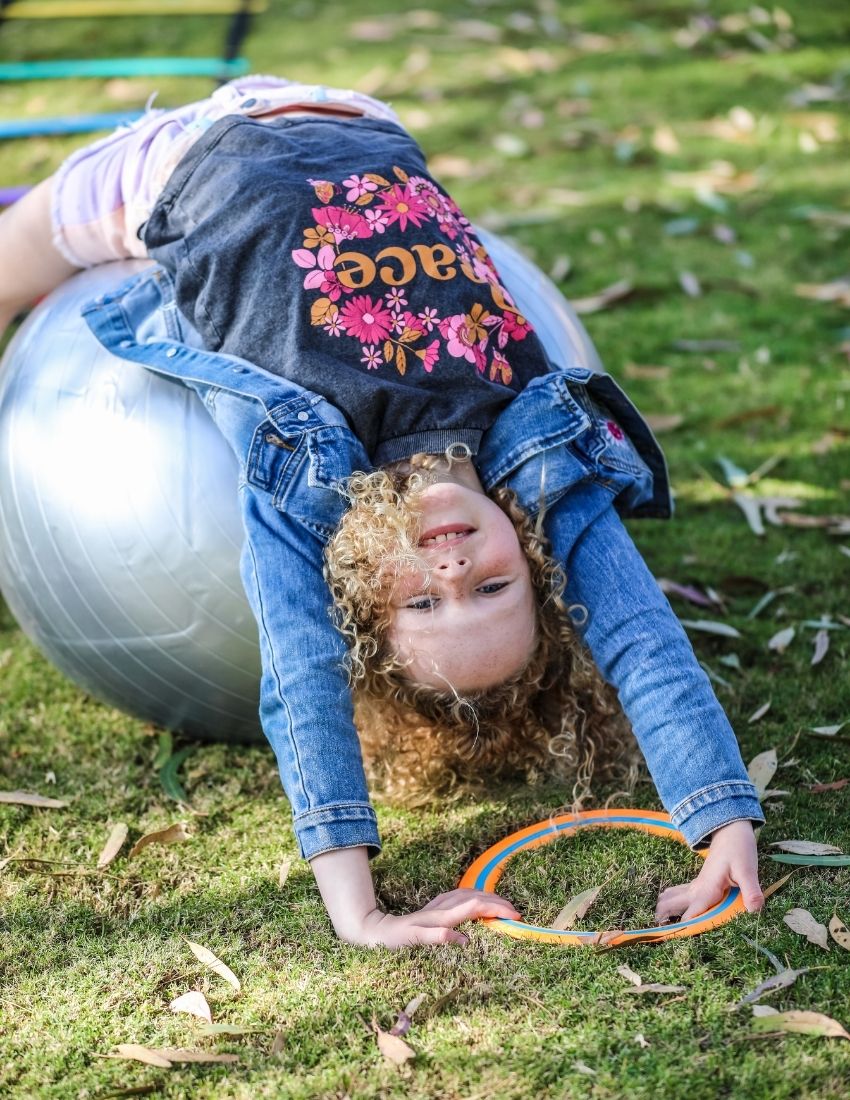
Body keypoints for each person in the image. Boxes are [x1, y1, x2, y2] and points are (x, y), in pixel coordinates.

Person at [0, 76, 765, 948]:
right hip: (359, 125)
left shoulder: (307, 485)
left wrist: (359, 912)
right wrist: (723, 822)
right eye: (492, 589)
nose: (452, 571)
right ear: (533, 555)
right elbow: (641, 640)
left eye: (426, 603)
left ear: (366, 603)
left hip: (182, 161)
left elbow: (305, 688)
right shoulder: (537, 459)